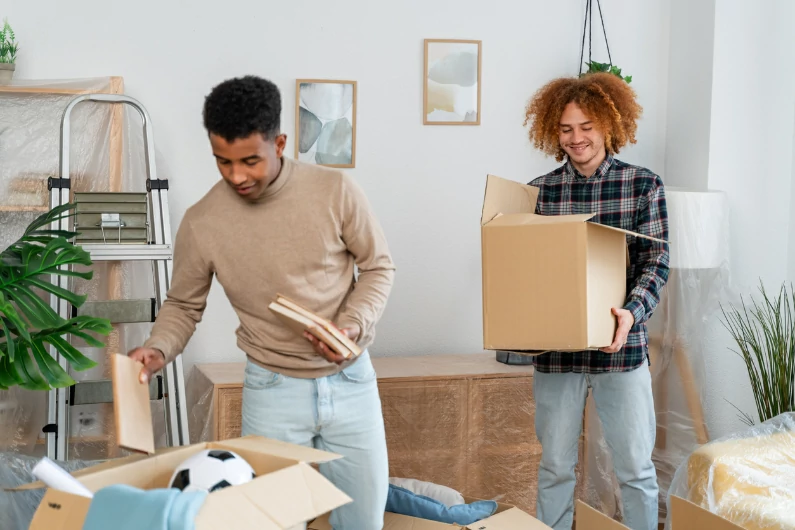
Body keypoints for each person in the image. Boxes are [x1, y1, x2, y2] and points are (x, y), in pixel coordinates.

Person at [128, 75, 396, 529]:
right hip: (272, 392)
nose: (237, 176)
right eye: (223, 161)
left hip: (351, 383)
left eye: (250, 160)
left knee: (363, 524)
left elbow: (378, 267)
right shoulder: (202, 222)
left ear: (281, 142)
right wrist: (158, 348)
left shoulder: (336, 192)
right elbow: (183, 306)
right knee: (272, 523)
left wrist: (351, 325)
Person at [522, 72, 670, 530]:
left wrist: (631, 315)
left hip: (620, 350)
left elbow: (657, 261)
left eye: (586, 126)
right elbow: (527, 271)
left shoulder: (643, 185)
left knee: (636, 471)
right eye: (566, 129)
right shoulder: (539, 192)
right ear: (553, 131)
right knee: (554, 469)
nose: (576, 138)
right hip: (558, 353)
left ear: (609, 124)